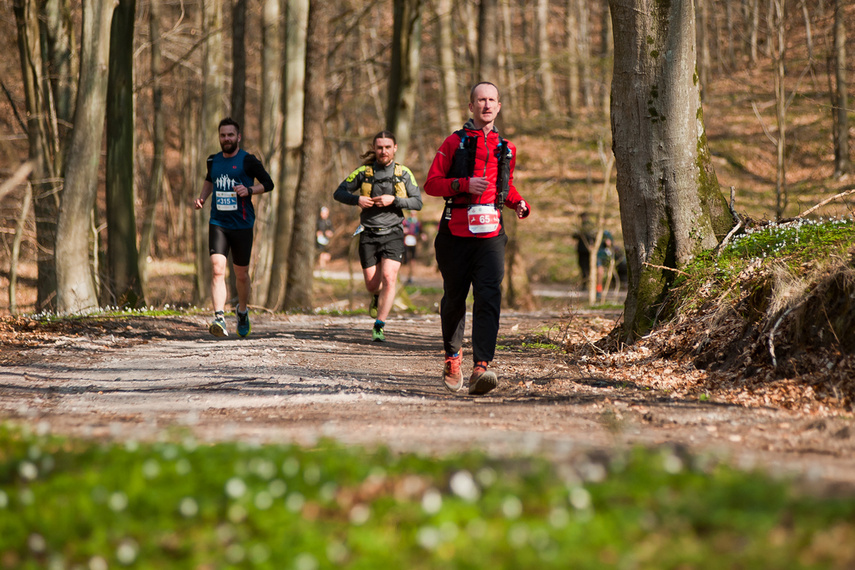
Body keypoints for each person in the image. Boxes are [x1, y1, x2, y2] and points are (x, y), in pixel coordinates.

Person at [424, 82, 530, 396]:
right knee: (454, 298)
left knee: (489, 296)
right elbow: (432, 184)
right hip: (455, 233)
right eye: (481, 100)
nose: (486, 105)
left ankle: (481, 367)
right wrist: (463, 184)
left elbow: (504, 187)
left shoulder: (507, 148)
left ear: (499, 106)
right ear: (471, 106)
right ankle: (452, 357)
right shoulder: (453, 142)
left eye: (491, 100)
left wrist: (518, 202)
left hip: (491, 234)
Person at [333, 131, 422, 342]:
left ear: (395, 148)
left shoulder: (403, 173)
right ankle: (375, 296)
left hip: (393, 233)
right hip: (368, 233)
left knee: (389, 277)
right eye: (380, 147)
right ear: (374, 148)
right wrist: (357, 200)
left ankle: (379, 325)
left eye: (387, 147)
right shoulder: (364, 172)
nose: (383, 151)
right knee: (372, 285)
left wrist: (394, 200)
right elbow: (338, 192)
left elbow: (417, 202)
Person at [193, 117, 274, 338]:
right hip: (218, 223)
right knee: (217, 268)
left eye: (230, 135)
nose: (226, 138)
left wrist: (249, 190)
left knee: (241, 274)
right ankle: (219, 318)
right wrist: (202, 198)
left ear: (238, 137)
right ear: (219, 137)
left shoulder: (248, 160)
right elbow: (209, 180)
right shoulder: (213, 160)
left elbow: (269, 183)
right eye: (223, 135)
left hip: (242, 225)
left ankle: (242, 311)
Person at [401, 212, 424, 284]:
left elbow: (421, 231)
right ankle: (404, 275)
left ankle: (411, 276)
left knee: (412, 259)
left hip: (413, 241)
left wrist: (422, 235)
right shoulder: (406, 222)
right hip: (406, 241)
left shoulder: (417, 223)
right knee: (405, 259)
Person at [316, 206, 334, 270]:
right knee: (322, 255)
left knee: (327, 256)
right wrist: (317, 233)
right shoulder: (317, 221)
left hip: (327, 241)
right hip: (319, 241)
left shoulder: (328, 222)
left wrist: (329, 233)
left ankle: (324, 267)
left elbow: (332, 231)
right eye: (323, 213)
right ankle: (322, 269)